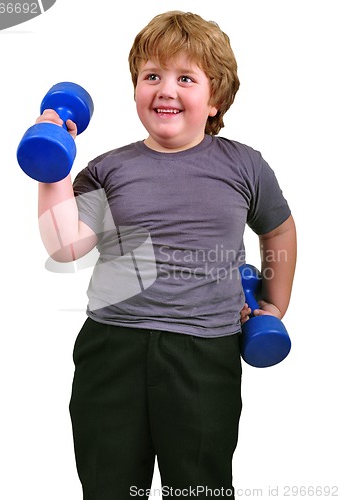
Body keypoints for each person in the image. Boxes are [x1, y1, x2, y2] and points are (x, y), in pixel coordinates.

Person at [36, 10, 297, 500]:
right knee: (109, 485)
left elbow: (279, 230)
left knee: (199, 487)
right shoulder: (107, 168)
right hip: (113, 346)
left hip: (204, 351)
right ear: (135, 87)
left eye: (185, 77)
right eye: (151, 75)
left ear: (215, 97)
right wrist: (54, 166)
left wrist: (274, 305)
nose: (166, 89)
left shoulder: (244, 166)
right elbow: (65, 244)